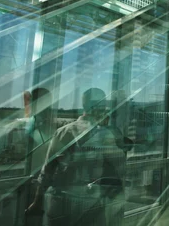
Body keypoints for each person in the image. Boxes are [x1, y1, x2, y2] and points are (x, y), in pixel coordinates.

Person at [26, 88, 130, 225]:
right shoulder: (107, 135)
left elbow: (47, 172)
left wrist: (37, 202)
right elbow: (120, 167)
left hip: (62, 202)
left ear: (84, 105)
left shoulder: (63, 132)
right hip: (93, 203)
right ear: (103, 105)